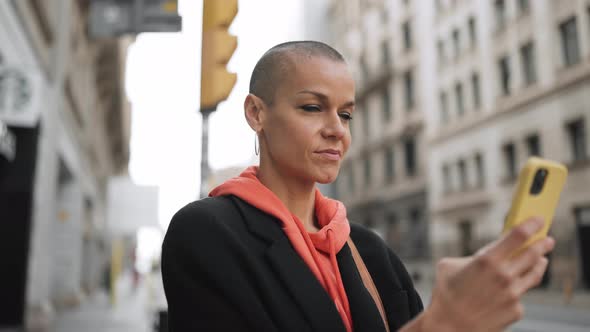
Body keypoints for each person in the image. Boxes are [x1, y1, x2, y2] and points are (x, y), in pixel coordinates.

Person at [161, 41, 554, 332]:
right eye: (312, 107)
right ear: (256, 113)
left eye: (346, 114)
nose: (337, 130)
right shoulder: (205, 233)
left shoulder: (370, 250)